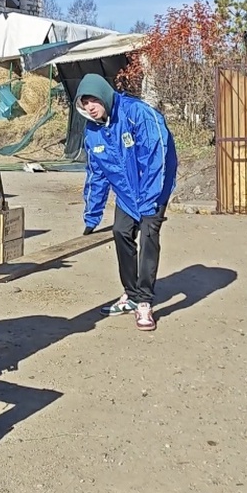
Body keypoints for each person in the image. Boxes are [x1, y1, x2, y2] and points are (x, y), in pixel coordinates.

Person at [75, 73, 179, 331]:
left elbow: (158, 157)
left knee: (148, 236)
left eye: (93, 100)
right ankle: (131, 294)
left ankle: (144, 301)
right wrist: (92, 216)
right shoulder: (93, 133)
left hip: (154, 188)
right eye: (84, 103)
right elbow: (96, 176)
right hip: (126, 194)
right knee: (120, 232)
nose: (90, 107)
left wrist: (149, 201)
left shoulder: (137, 113)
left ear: (104, 95)